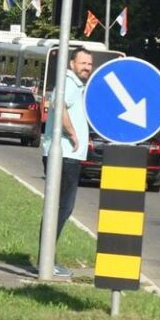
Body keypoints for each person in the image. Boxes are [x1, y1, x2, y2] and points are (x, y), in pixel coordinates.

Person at [40, 46, 94, 278]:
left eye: (90, 65)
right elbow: (59, 107)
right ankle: (46, 260)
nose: (87, 68)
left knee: (59, 207)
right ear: (72, 64)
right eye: (83, 63)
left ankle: (47, 258)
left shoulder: (73, 83)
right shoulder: (70, 83)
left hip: (66, 156)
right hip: (64, 155)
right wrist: (72, 134)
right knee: (61, 207)